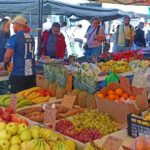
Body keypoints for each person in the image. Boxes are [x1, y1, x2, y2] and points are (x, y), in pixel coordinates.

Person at [4, 16, 36, 94]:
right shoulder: (31, 37)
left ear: (19, 25)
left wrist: (6, 62)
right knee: (29, 100)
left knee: (15, 100)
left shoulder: (14, 37)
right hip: (31, 74)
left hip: (18, 74)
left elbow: (8, 55)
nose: (12, 27)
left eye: (14, 24)